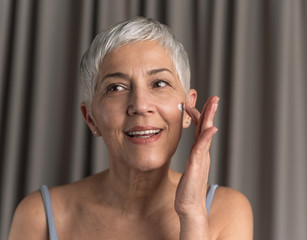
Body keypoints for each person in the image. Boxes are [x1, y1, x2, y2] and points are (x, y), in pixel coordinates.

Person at [9, 17, 253, 239]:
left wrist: (192, 215)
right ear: (91, 118)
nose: (140, 105)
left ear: (188, 109)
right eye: (116, 88)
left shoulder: (227, 211)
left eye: (159, 83)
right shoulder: (38, 214)